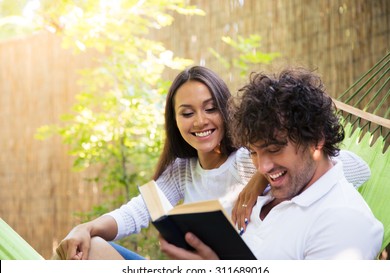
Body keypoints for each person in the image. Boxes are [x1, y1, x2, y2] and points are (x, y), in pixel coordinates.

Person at [54, 66, 371, 260]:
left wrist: (258, 178)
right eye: (187, 112)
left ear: (225, 111)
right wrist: (86, 226)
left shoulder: (250, 161)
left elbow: (355, 167)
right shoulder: (180, 172)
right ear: (174, 121)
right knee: (85, 250)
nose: (200, 121)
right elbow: (137, 212)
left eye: (210, 108)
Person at [159, 67, 383, 260]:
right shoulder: (272, 192)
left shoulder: (345, 222)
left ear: (315, 139)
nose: (262, 168)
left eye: (274, 149)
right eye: (254, 153)